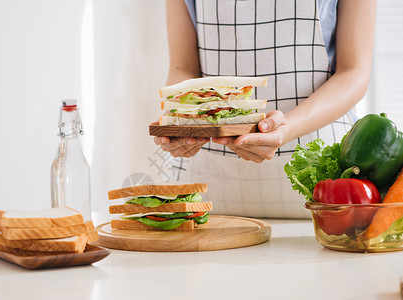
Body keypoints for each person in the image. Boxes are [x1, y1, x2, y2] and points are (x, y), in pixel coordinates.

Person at [154, 0, 376, 218]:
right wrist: (182, 118)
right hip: (208, 190)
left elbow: (354, 71)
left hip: (324, 195)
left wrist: (286, 129)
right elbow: (182, 67)